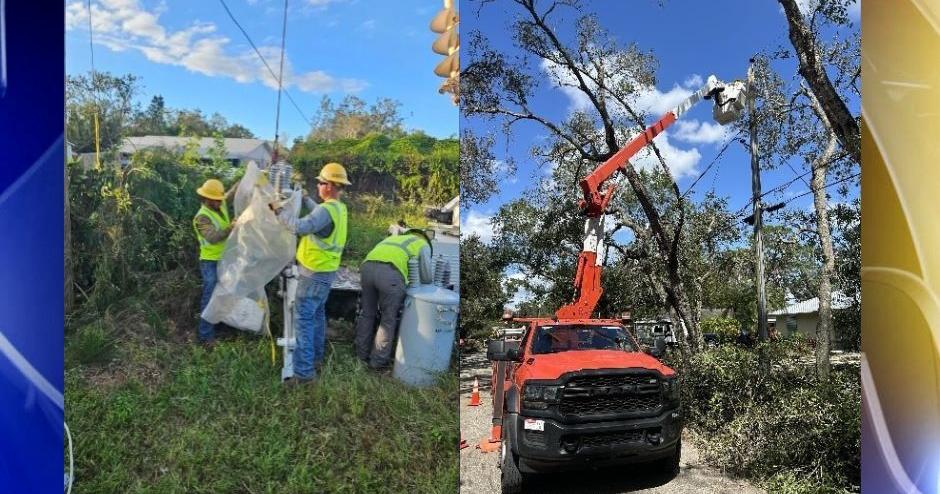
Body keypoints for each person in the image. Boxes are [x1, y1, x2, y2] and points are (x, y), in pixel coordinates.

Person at [278, 162, 351, 384]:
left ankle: (303, 374)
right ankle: (315, 359)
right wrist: (306, 199)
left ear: (329, 186)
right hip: (326, 275)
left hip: (312, 276)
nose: (318, 185)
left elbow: (298, 226)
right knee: (317, 317)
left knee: (304, 323)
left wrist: (277, 210)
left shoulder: (326, 211)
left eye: (320, 182)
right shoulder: (338, 208)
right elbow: (319, 214)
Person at [354, 228, 433, 372]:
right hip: (390, 275)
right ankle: (377, 362)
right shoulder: (423, 245)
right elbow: (427, 278)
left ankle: (361, 355)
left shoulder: (393, 239)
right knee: (387, 320)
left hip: (367, 268)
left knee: (367, 314)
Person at [192, 177, 240, 347]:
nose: (221, 202)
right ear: (208, 198)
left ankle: (219, 328)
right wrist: (231, 227)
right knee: (210, 298)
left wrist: (251, 175)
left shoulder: (220, 203)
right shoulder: (201, 218)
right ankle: (205, 336)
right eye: (217, 200)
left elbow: (232, 192)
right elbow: (212, 238)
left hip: (224, 260)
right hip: (210, 263)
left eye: (221, 199)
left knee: (223, 295)